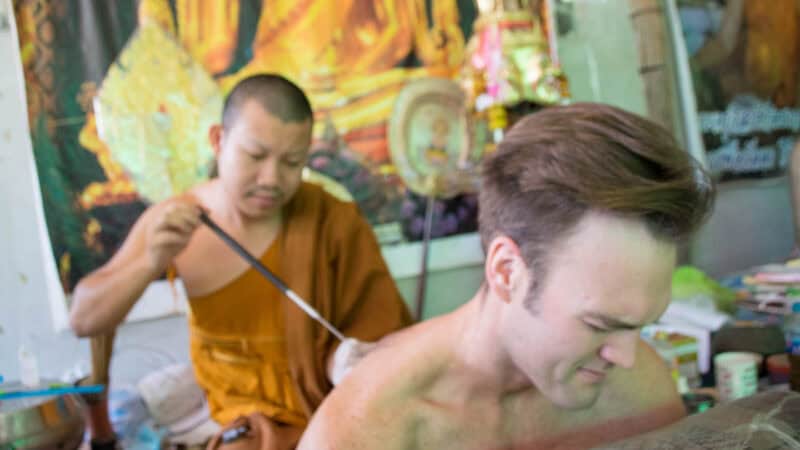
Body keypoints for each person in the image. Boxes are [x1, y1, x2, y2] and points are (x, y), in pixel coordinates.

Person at [298, 102, 715, 450]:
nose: (626, 356)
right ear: (506, 271)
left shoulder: (641, 396)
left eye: (641, 325)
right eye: (600, 324)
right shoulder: (368, 433)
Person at [70, 74, 412, 449]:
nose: (271, 179)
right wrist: (148, 262)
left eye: (291, 162)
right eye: (256, 156)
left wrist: (344, 361)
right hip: (243, 429)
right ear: (218, 141)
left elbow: (377, 332)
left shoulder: (332, 220)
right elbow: (85, 319)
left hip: (337, 415)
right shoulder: (180, 220)